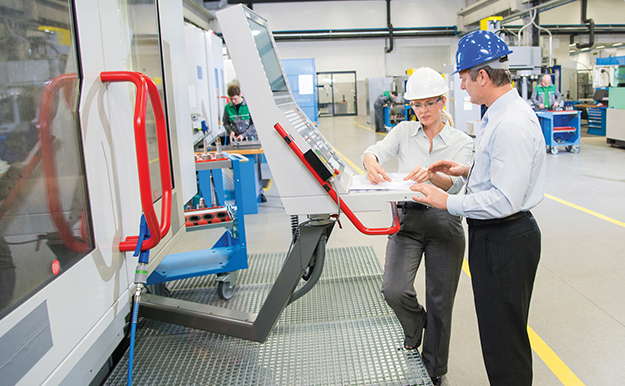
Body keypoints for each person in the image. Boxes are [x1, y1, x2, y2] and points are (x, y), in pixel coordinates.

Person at [410, 30, 546, 386]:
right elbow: (505, 173)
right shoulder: (496, 114)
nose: (463, 87)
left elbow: (504, 199)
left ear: (482, 76)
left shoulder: (510, 123)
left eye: (465, 79)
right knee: (498, 333)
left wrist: (447, 201)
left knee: (504, 341)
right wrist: (467, 170)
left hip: (505, 238)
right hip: (497, 237)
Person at [362, 67, 473, 386]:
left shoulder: (461, 140)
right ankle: (416, 326)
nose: (423, 112)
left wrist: (432, 175)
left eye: (429, 104)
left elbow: (454, 184)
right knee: (393, 288)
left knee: (441, 300)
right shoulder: (402, 132)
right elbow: (375, 151)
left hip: (444, 221)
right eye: (417, 105)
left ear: (443, 102)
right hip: (408, 219)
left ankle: (434, 369)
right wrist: (371, 162)